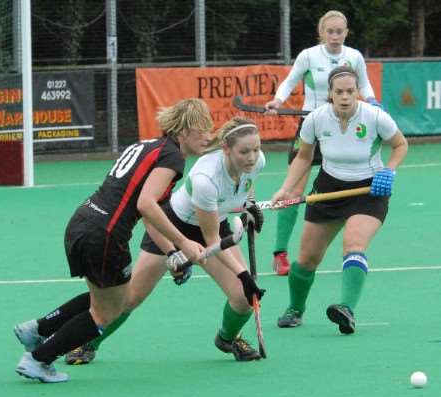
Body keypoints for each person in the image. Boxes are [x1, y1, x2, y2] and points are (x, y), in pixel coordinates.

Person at [13, 98, 215, 383]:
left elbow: (149, 214)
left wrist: (171, 252)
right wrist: (184, 243)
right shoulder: (173, 157)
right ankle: (38, 359)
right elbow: (147, 205)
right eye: (203, 130)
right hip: (105, 236)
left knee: (106, 296)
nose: (209, 136)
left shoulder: (148, 146)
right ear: (183, 131)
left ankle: (36, 329)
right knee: (109, 311)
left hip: (82, 222)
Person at [63, 116, 267, 365]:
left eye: (256, 150)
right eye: (244, 151)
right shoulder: (206, 178)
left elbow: (246, 185)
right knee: (130, 298)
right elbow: (211, 239)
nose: (252, 157)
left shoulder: (257, 162)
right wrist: (244, 275)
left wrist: (249, 205)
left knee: (243, 299)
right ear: (226, 149)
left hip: (215, 222)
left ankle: (228, 338)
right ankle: (89, 342)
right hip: (173, 225)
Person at [272, 65, 407, 334]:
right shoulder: (315, 119)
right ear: (330, 94)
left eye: (350, 91)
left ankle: (346, 309)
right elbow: (303, 157)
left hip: (369, 191)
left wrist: (389, 171)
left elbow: (401, 145)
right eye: (339, 92)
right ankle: (295, 309)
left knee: (353, 245)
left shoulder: (375, 116)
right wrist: (286, 189)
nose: (345, 96)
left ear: (358, 91)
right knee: (307, 260)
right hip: (329, 189)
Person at [265, 10, 382, 276]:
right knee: (294, 192)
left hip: (342, 129)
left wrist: (373, 102)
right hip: (311, 126)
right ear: (321, 33)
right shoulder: (308, 55)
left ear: (346, 32)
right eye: (330, 31)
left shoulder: (354, 57)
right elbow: (289, 81)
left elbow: (364, 85)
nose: (335, 37)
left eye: (340, 32)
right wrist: (277, 101)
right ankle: (280, 253)